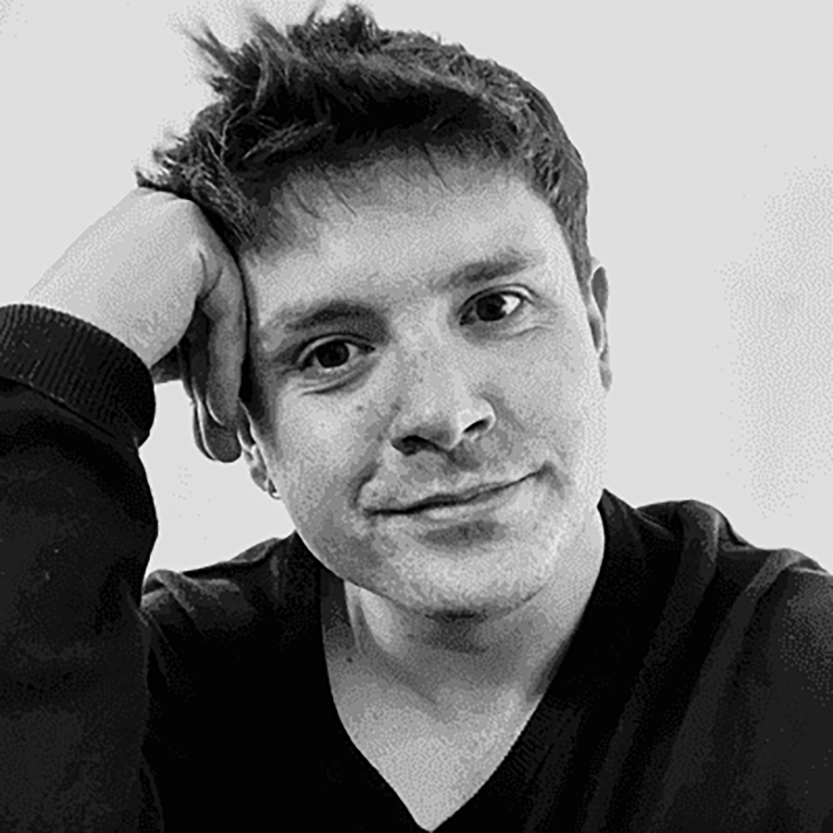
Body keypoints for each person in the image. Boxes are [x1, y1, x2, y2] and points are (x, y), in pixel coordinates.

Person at [0, 5, 830, 831]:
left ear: (597, 329)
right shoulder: (149, 694)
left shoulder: (798, 674)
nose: (444, 412)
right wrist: (61, 350)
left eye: (496, 307)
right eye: (332, 352)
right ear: (245, 430)